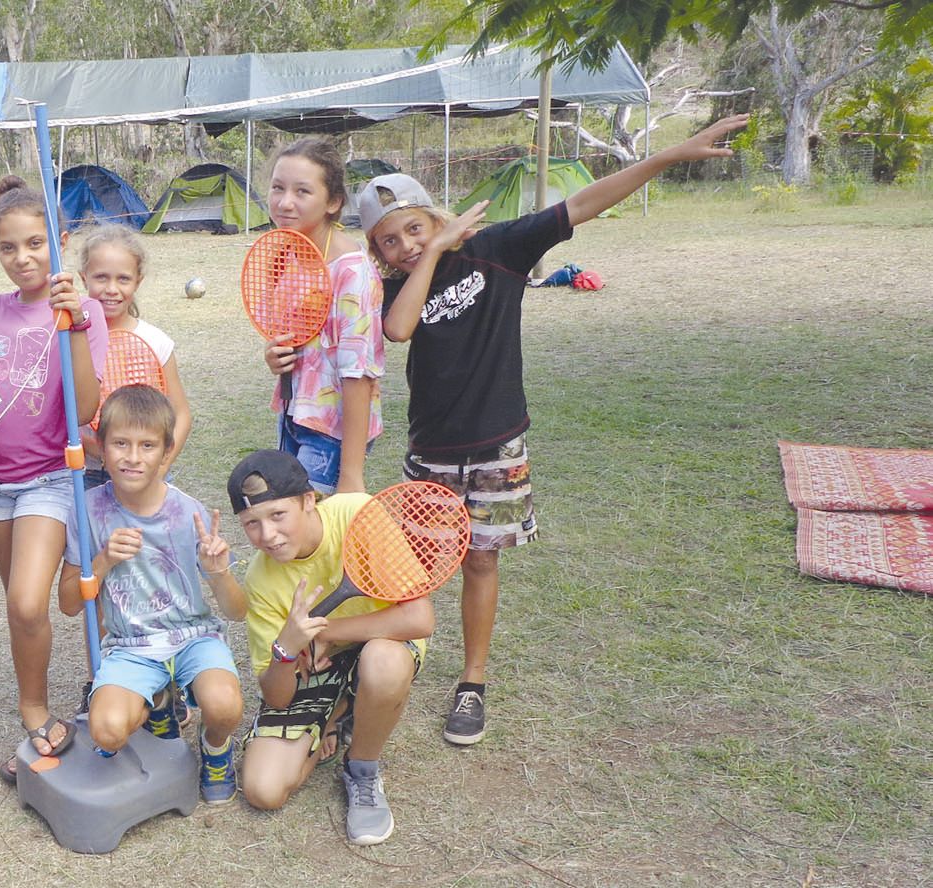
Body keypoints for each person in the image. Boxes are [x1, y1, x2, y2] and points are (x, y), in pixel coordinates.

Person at [359, 114, 750, 747]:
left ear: (438, 216)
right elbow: (400, 330)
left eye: (414, 228)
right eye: (389, 241)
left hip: (492, 445)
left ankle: (472, 683)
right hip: (428, 450)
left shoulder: (501, 249)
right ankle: (389, 668)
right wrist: (429, 254)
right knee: (414, 570)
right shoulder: (395, 287)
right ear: (378, 253)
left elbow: (585, 203)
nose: (403, 244)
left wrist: (666, 157)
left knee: (480, 562)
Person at [0, 176, 108, 781]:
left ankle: (37, 708)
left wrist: (74, 323)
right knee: (22, 609)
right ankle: (38, 711)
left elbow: (85, 403)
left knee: (29, 601)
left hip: (50, 479)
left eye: (35, 244)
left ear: (60, 240)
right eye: (8, 247)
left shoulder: (84, 311)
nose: (22, 259)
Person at [231, 450, 432, 846]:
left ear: (309, 501)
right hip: (314, 664)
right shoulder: (259, 578)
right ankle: (339, 714)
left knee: (383, 663)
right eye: (251, 524)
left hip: (382, 640)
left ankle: (362, 768)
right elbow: (275, 695)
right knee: (263, 790)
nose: (267, 535)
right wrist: (285, 652)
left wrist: (329, 631)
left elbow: (418, 619)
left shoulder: (358, 514)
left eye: (277, 515)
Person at [56, 385, 244, 803]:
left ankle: (215, 750)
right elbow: (69, 604)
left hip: (194, 638)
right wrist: (102, 560)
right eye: (120, 443)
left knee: (225, 706)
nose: (133, 457)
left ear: (166, 451)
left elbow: (236, 612)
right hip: (131, 647)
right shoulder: (86, 510)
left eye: (147, 445)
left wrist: (219, 574)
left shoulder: (189, 512)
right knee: (105, 731)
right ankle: (157, 701)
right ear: (100, 447)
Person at [262, 138, 386, 495]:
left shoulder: (352, 271)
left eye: (303, 191)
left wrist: (351, 475)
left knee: (307, 532)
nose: (285, 202)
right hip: (293, 414)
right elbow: (298, 339)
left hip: (333, 431)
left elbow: (358, 374)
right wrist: (274, 355)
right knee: (293, 523)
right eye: (278, 188)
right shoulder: (285, 254)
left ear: (332, 202)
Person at [74, 224, 191, 488]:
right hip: (86, 476)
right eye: (101, 277)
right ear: (84, 278)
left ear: (138, 280)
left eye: (123, 279)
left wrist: (160, 468)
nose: (112, 289)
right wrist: (96, 450)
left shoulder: (156, 342)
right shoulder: (71, 340)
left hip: (146, 475)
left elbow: (181, 414)